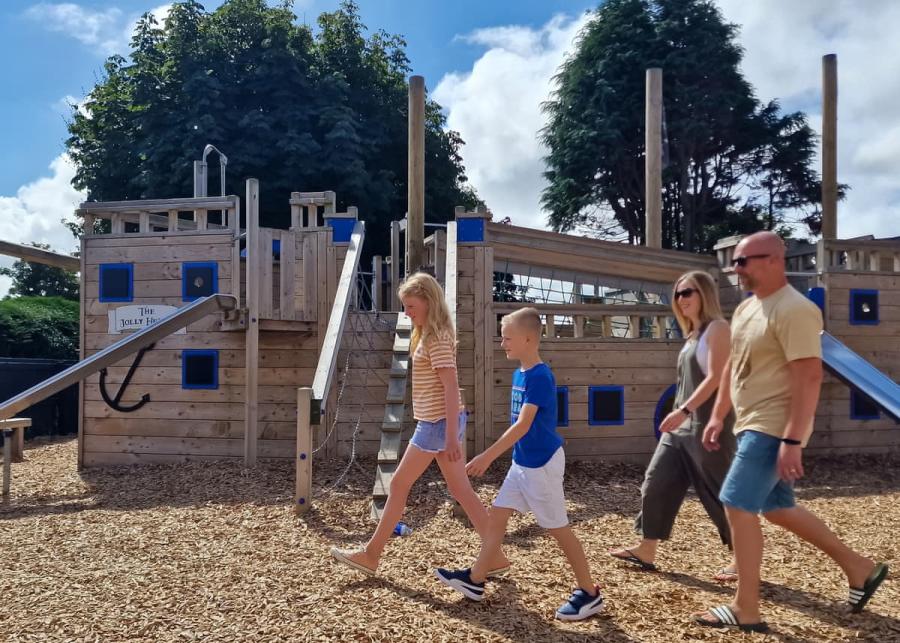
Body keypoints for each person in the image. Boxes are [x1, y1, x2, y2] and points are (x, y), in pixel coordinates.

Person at [694, 231, 888, 633]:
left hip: (773, 426)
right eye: (734, 262)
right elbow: (732, 366)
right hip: (751, 422)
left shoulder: (796, 310)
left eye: (743, 261)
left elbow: (809, 376)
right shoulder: (747, 309)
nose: (736, 269)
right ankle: (859, 567)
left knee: (736, 503)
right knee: (776, 507)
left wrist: (793, 439)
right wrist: (718, 415)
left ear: (774, 260)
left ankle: (746, 608)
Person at [330, 273, 510, 577]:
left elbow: (451, 387)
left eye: (411, 306)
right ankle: (495, 557)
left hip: (437, 424)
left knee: (399, 484)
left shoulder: (436, 338)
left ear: (429, 301)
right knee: (461, 490)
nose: (407, 312)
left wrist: (451, 437)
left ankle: (371, 555)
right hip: (439, 422)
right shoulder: (429, 333)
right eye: (405, 306)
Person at [434, 307, 604, 621]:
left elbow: (524, 425)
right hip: (522, 462)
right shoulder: (520, 373)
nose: (502, 344)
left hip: (541, 465)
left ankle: (589, 593)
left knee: (559, 529)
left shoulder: (540, 376)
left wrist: (487, 456)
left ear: (528, 339)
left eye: (507, 338)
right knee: (497, 516)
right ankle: (475, 579)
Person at [610, 270, 738, 581]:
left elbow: (718, 377)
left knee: (719, 492)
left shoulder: (718, 328)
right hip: (681, 428)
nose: (681, 299)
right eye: (678, 294)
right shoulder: (692, 335)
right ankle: (646, 549)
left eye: (687, 292)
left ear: (704, 294)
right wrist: (680, 414)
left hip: (708, 425)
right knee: (657, 481)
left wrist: (684, 410)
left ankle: (742, 557)